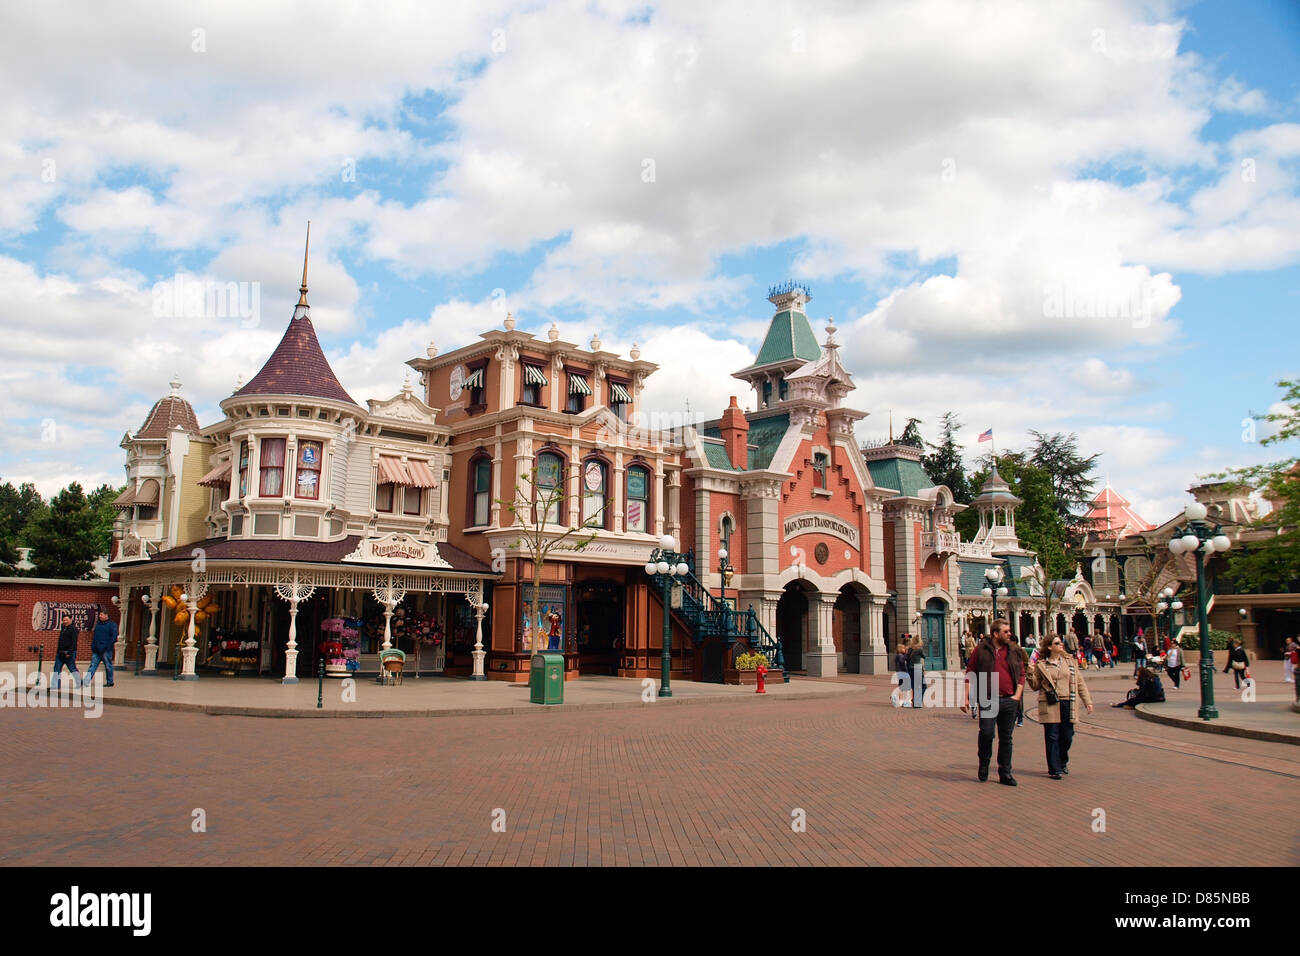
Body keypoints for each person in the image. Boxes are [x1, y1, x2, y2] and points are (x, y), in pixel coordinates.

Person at [961, 618, 1023, 786]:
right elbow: (970, 672)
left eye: (1009, 631)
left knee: (1006, 738)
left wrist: (1017, 695)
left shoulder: (1013, 651)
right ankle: (984, 763)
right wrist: (965, 696)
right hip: (988, 698)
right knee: (987, 733)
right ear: (996, 634)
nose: (1010, 634)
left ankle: (1005, 772)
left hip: (1009, 699)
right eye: (1006, 632)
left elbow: (1022, 674)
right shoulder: (981, 650)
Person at [1027, 634, 1094, 778]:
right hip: (1050, 702)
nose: (1061, 645)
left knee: (1067, 736)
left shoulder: (1070, 662)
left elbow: (1080, 682)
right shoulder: (1041, 664)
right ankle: (1054, 768)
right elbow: (1035, 685)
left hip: (1068, 702)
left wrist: (1087, 701)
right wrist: (1030, 671)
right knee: (1052, 736)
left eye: (1061, 642)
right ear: (1050, 647)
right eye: (1057, 643)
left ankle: (1062, 761)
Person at [84, 609, 118, 687]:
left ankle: (110, 681)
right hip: (96, 649)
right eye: (100, 615)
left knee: (108, 666)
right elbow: (95, 636)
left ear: (106, 615)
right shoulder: (98, 624)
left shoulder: (112, 625)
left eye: (101, 614)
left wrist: (107, 647)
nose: (100, 616)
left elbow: (113, 637)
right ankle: (86, 681)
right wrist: (93, 646)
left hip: (106, 650)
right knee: (93, 665)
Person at [52, 613, 82, 689]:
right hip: (60, 653)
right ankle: (55, 685)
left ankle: (79, 682)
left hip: (69, 653)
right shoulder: (63, 629)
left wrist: (70, 652)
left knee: (72, 668)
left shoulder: (74, 630)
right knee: (56, 669)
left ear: (71, 620)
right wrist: (58, 651)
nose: (65, 621)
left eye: (66, 620)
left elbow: (74, 642)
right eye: (63, 620)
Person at [1010, 636, 1029, 727]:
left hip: (1018, 677)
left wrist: (1023, 672)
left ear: (1014, 642)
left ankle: (1020, 717)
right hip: (1011, 677)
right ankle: (1015, 717)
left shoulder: (1020, 650)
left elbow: (1026, 662)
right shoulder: (1008, 651)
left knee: (1019, 698)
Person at [907, 635, 926, 709]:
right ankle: (917, 702)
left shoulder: (910, 649)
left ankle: (915, 701)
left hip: (910, 668)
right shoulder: (919, 649)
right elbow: (924, 656)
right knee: (923, 686)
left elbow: (908, 658)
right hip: (917, 668)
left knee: (915, 686)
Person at [893, 642, 910, 706]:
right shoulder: (900, 655)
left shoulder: (898, 655)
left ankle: (897, 697)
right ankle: (898, 697)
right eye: (903, 648)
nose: (904, 649)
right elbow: (902, 660)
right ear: (900, 649)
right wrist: (907, 654)